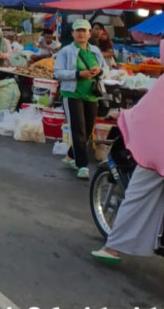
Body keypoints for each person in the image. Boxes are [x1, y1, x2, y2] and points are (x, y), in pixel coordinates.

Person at [92, 75, 164, 264]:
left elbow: (144, 113)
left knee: (138, 192)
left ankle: (112, 248)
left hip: (159, 152)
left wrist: (123, 114)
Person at [53, 19, 107, 180]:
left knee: (88, 130)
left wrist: (99, 71)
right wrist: (78, 74)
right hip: (72, 95)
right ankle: (82, 165)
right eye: (78, 31)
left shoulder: (96, 51)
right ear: (72, 33)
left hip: (91, 95)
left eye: (85, 30)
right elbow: (58, 72)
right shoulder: (66, 51)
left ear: (90, 33)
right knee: (78, 129)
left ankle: (70, 155)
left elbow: (106, 70)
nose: (81, 33)